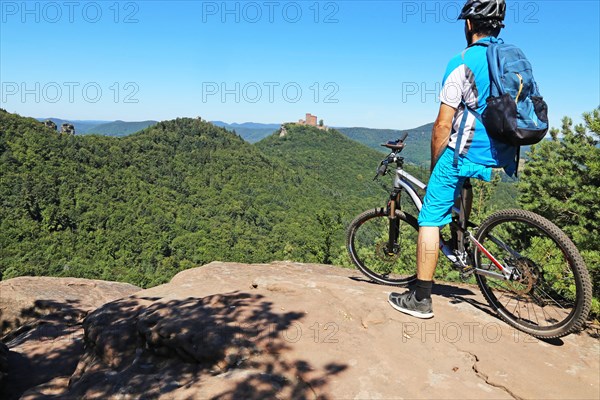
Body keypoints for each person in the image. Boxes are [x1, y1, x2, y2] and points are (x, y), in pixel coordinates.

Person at [388, 0, 518, 318]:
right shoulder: (512, 59)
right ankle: (460, 238)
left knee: (430, 217)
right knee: (462, 181)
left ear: (470, 25)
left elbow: (443, 125)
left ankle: (420, 298)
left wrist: (436, 166)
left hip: (466, 149)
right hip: (502, 150)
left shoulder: (462, 61)